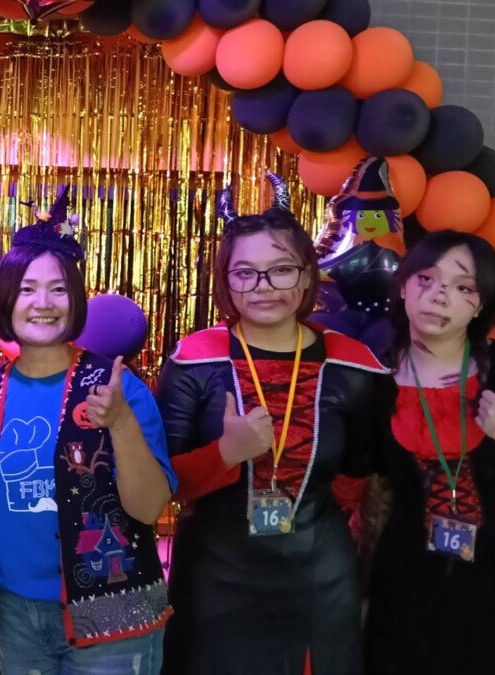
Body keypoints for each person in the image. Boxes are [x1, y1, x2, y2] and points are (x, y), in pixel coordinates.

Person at [155, 175, 386, 675]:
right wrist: (225, 454)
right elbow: (161, 482)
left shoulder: (353, 363)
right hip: (216, 574)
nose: (263, 287)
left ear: (307, 276)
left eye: (281, 270)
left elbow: (358, 469)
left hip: (320, 575)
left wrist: (307, 518)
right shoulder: (195, 360)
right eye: (245, 273)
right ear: (226, 280)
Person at [0, 191, 177, 674]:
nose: (43, 303)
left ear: (76, 299)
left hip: (115, 609)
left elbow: (150, 509)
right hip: (13, 613)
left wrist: (121, 423)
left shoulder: (117, 388)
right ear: (5, 300)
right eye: (27, 289)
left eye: (58, 289)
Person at [363, 231, 495, 675]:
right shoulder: (375, 377)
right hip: (405, 588)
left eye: (463, 286)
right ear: (403, 287)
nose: (439, 295)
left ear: (480, 304)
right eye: (425, 278)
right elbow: (368, 494)